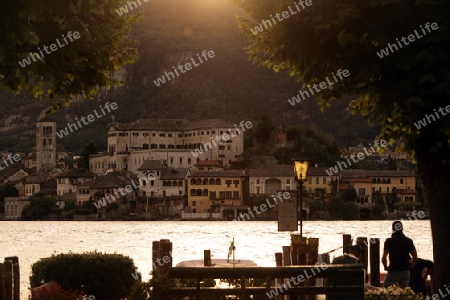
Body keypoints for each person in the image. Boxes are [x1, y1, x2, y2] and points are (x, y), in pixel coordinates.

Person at [382, 221, 418, 288]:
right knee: (404, 292)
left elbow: (384, 257)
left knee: (386, 290)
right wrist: (410, 267)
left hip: (393, 270)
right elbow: (415, 257)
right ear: (402, 228)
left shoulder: (389, 241)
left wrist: (385, 266)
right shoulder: (408, 241)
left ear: (393, 229)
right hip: (405, 271)